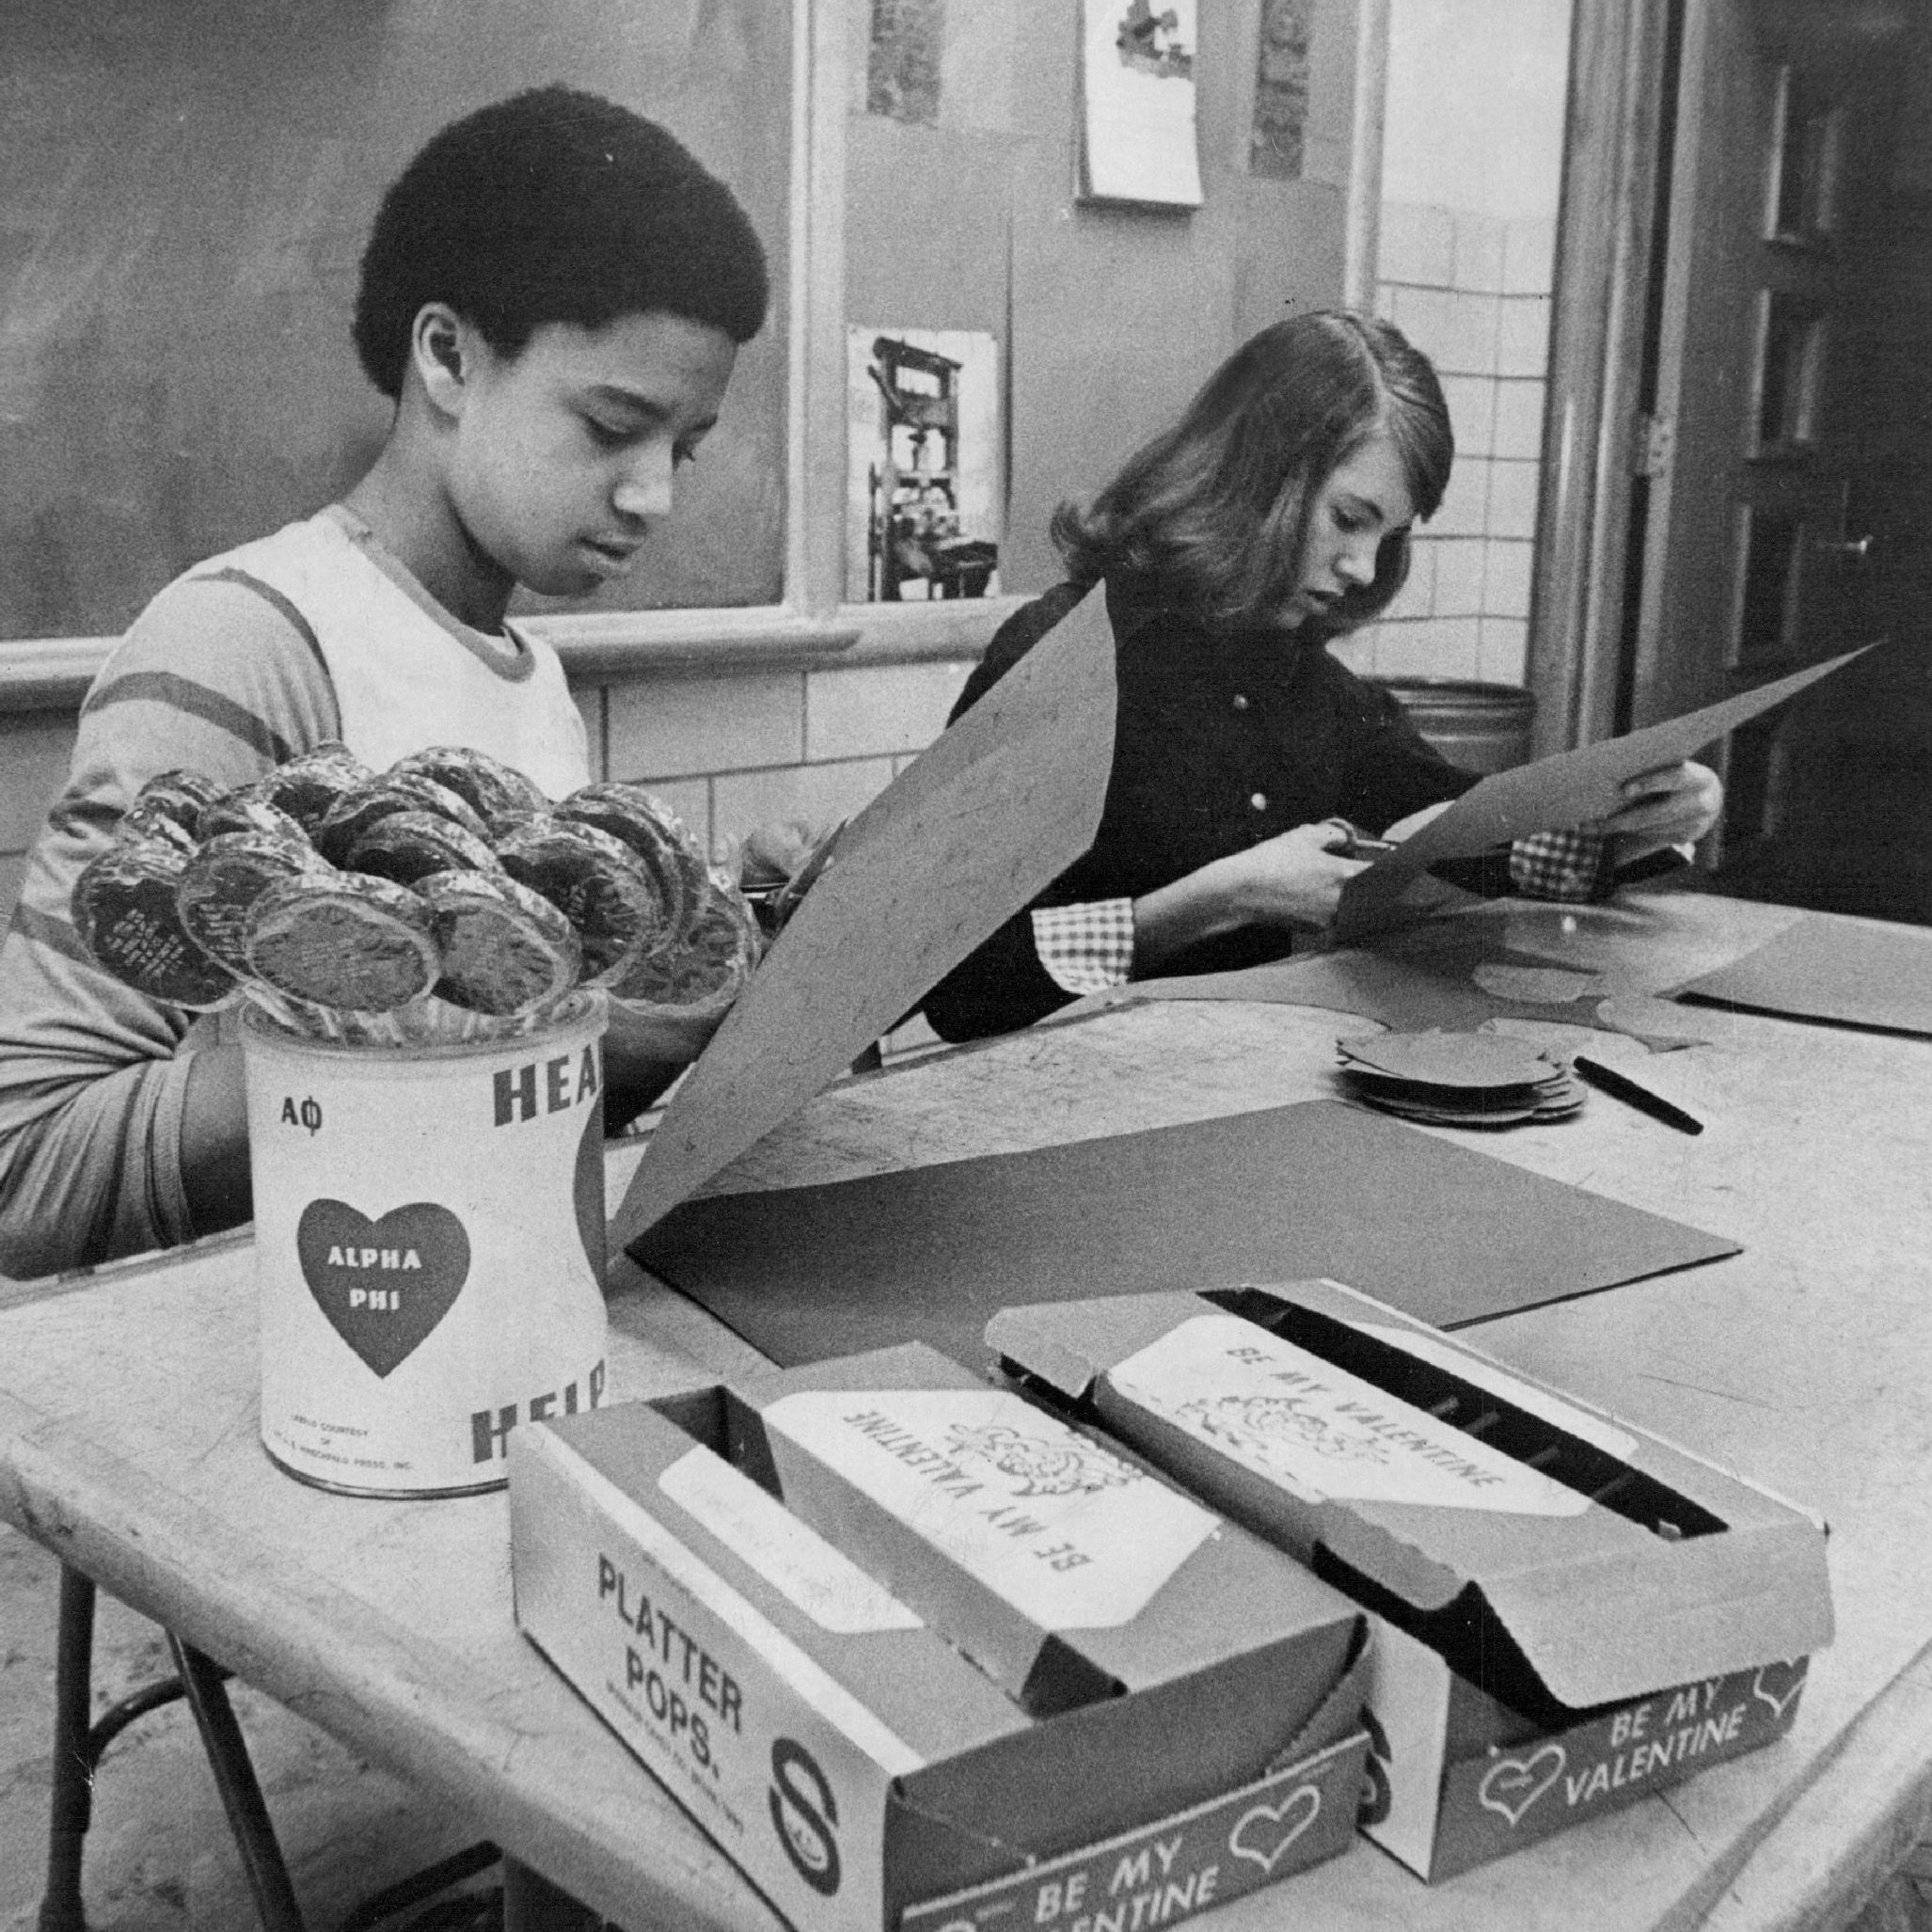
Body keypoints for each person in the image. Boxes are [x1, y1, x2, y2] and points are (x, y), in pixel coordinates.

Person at [0, 86, 768, 1278]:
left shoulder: (534, 682)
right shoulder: (244, 645)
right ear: (449, 356)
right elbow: (29, 1166)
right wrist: (536, 1032)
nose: (654, 493)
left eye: (686, 445)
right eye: (613, 424)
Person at [921, 310, 1720, 1042]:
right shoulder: (1062, 654)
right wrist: (1214, 901)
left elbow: (1455, 835)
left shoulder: (1299, 673)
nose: (1363, 567)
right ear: (1254, 478)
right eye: (1349, 519)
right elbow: (953, 984)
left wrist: (1636, 814)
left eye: (1391, 536)